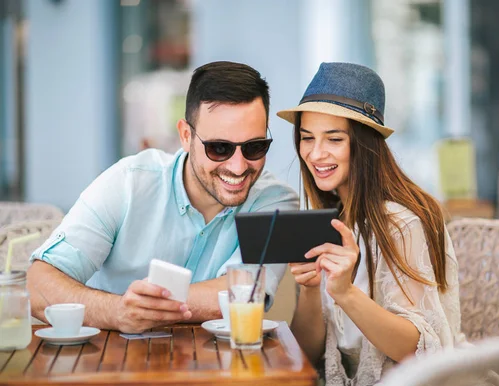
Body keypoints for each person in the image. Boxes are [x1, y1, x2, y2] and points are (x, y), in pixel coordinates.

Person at [28, 61, 299, 334]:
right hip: (110, 364)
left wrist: (145, 308)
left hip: (220, 367)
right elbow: (39, 285)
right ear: (185, 135)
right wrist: (117, 311)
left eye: (255, 147)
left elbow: (242, 293)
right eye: (219, 148)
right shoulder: (128, 183)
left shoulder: (276, 202)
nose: (238, 167)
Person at [277, 62, 465, 386]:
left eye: (334, 139)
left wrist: (346, 294)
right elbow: (311, 353)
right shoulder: (331, 218)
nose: (316, 153)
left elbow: (417, 350)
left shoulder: (402, 222)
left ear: (364, 143)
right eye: (307, 138)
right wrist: (309, 288)